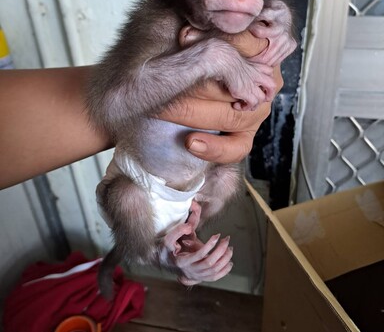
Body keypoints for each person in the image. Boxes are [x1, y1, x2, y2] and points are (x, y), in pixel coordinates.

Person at [0, 29, 282, 284]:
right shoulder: (164, 16)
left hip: (188, 191)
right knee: (127, 197)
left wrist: (275, 41)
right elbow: (120, 93)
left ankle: (186, 236)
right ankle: (160, 254)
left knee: (228, 176)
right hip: (140, 191)